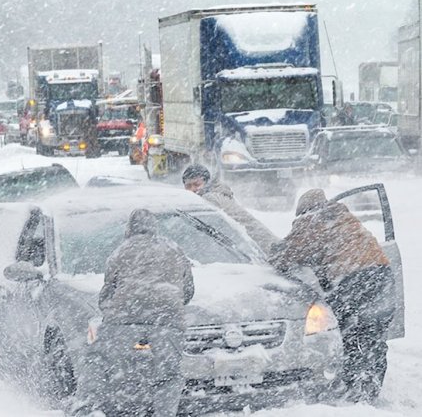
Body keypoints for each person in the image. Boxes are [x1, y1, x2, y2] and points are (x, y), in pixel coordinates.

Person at [269, 189, 395, 402]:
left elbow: (288, 255)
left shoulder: (310, 222)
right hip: (382, 275)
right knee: (373, 332)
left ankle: (351, 387)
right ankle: (370, 386)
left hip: (354, 280)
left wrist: (274, 254)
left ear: (303, 211)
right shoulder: (343, 216)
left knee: (343, 331)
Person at [73, 209, 194, 416]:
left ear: (129, 229)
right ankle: (164, 412)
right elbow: (188, 291)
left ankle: (89, 407)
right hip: (167, 323)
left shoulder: (120, 252)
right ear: (154, 228)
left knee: (96, 357)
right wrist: (167, 306)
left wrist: (115, 313)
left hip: (124, 322)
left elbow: (107, 293)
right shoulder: (175, 250)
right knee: (169, 374)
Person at [181, 164, 280, 253]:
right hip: (268, 247)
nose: (193, 189)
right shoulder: (217, 193)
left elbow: (205, 233)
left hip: (265, 250)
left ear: (206, 183)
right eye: (188, 186)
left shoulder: (210, 199)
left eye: (197, 184)